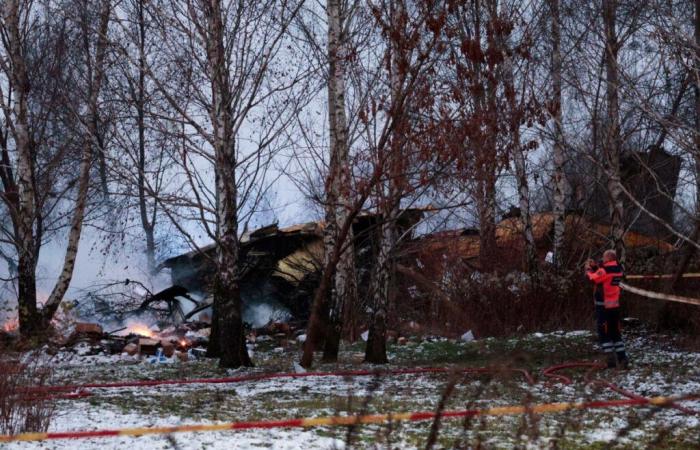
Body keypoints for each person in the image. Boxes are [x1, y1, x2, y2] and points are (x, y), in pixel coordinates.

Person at [585, 249, 629, 369]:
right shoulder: (618, 269)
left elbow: (594, 278)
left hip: (603, 306)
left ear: (609, 258)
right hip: (615, 306)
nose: (602, 260)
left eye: (604, 258)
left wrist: (588, 270)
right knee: (616, 333)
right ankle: (622, 358)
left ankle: (610, 360)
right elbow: (603, 277)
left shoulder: (605, 270)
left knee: (604, 333)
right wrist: (596, 267)